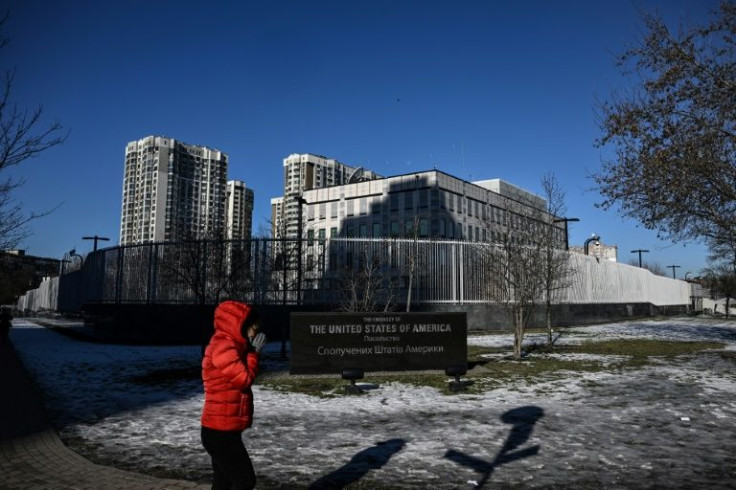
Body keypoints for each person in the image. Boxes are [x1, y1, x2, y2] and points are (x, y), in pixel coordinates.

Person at [201, 301, 267, 490]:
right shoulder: (223, 346)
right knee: (245, 480)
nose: (255, 333)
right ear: (242, 325)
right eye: (254, 328)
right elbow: (243, 379)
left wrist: (249, 350)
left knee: (224, 482)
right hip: (219, 432)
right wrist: (254, 353)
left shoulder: (232, 345)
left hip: (222, 429)